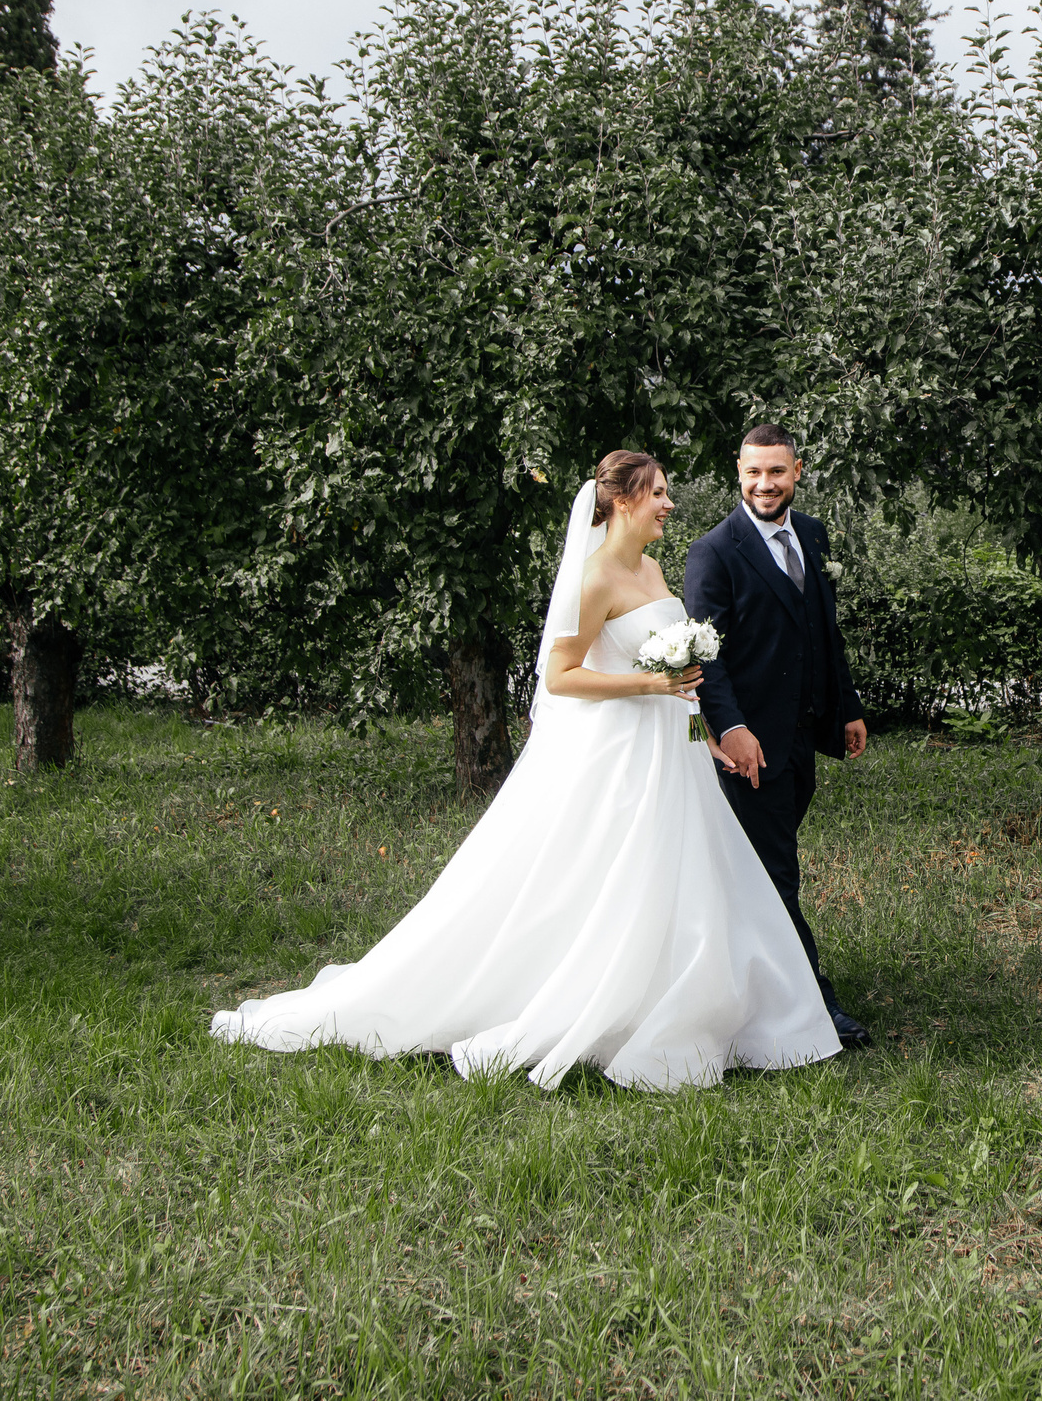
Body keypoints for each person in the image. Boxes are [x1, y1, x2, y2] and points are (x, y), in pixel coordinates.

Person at [209, 451, 840, 1091]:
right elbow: (559, 676)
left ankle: (681, 998)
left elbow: (676, 673)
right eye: (658, 493)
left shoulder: (650, 568)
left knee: (683, 879)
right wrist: (649, 682)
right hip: (618, 754)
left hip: (666, 751)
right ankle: (588, 997)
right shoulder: (595, 578)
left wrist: (699, 726)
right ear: (622, 500)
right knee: (610, 878)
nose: (668, 504)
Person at [684, 424, 875, 1049]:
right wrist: (732, 729)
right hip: (750, 749)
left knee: (765, 870)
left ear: (797, 471)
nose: (765, 485)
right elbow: (704, 659)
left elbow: (824, 629)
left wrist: (845, 706)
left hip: (801, 738)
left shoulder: (813, 535)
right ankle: (815, 1007)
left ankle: (746, 983)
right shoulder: (715, 551)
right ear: (737, 473)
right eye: (752, 473)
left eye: (776, 472)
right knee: (776, 873)